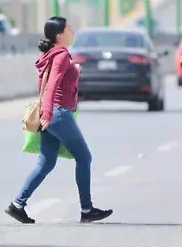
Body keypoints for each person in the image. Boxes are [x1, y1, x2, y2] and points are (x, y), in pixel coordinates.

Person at [7, 16, 113, 224]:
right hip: (58, 114)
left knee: (46, 163)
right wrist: (47, 114)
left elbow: (52, 82)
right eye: (69, 28)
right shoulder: (62, 55)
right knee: (84, 158)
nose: (72, 32)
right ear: (59, 35)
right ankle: (87, 209)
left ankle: (17, 205)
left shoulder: (51, 54)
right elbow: (53, 84)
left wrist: (74, 70)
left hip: (52, 113)